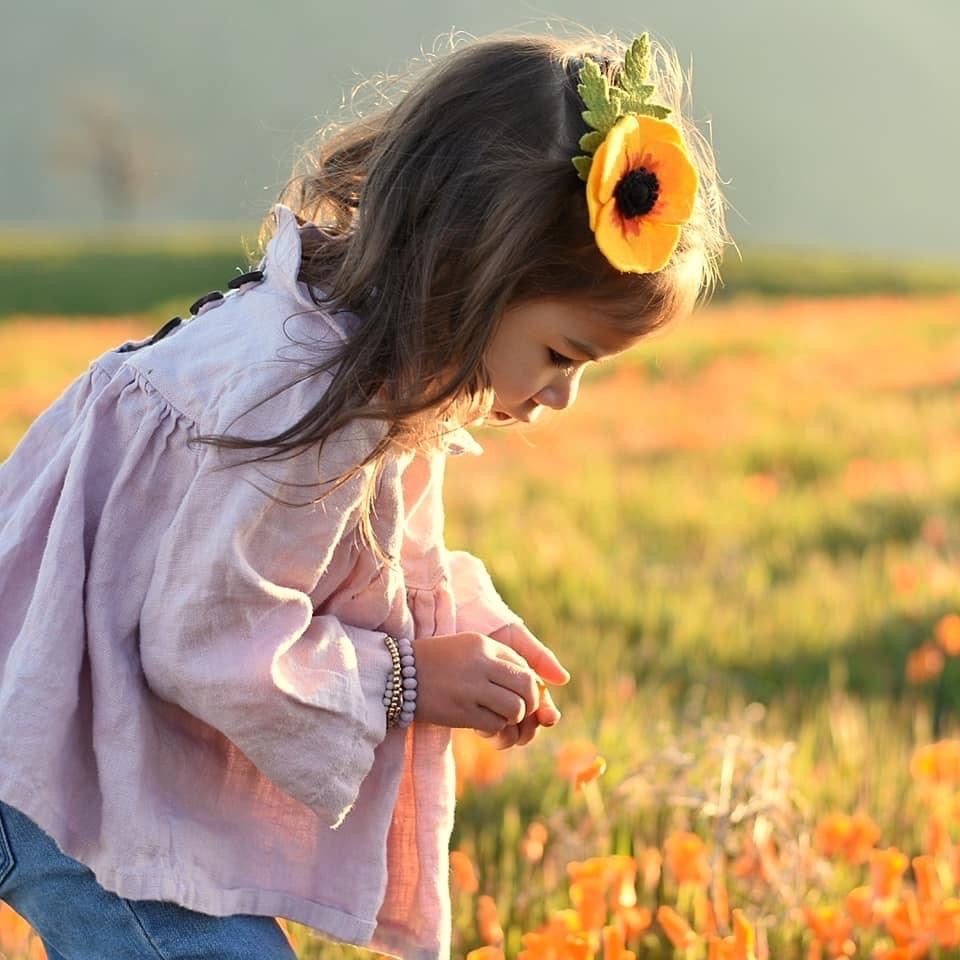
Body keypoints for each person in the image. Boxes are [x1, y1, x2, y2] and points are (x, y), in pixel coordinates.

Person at [0, 28, 726, 960]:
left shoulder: (370, 365)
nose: (562, 396)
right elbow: (207, 639)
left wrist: (461, 629)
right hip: (56, 758)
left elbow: (344, 562)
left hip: (87, 734)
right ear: (471, 268)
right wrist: (408, 678)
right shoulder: (304, 399)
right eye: (561, 354)